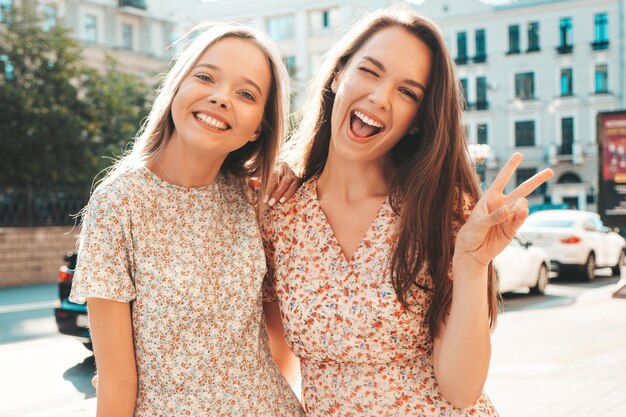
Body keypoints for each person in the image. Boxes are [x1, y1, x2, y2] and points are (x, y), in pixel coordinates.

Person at [262, 7, 553, 416]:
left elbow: (462, 390)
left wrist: (471, 263)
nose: (380, 98)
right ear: (337, 75)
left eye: (407, 92)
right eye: (370, 71)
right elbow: (277, 367)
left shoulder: (441, 209)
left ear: (418, 121)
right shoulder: (280, 213)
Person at [70, 23, 305, 417]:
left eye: (245, 93)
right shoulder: (118, 204)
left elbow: (281, 346)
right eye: (205, 77)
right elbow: (116, 381)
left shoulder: (255, 200)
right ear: (177, 86)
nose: (220, 98)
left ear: (257, 128)